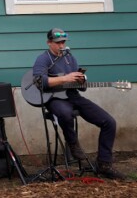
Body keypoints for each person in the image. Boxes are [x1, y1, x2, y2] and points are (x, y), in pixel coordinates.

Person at [31, 28, 126, 180]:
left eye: (63, 42)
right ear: (49, 43)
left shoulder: (70, 58)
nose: (61, 46)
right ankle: (73, 143)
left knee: (109, 122)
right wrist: (65, 78)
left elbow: (80, 85)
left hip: (73, 96)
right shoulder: (43, 59)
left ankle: (104, 164)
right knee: (65, 113)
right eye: (57, 43)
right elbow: (39, 81)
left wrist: (82, 81)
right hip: (53, 98)